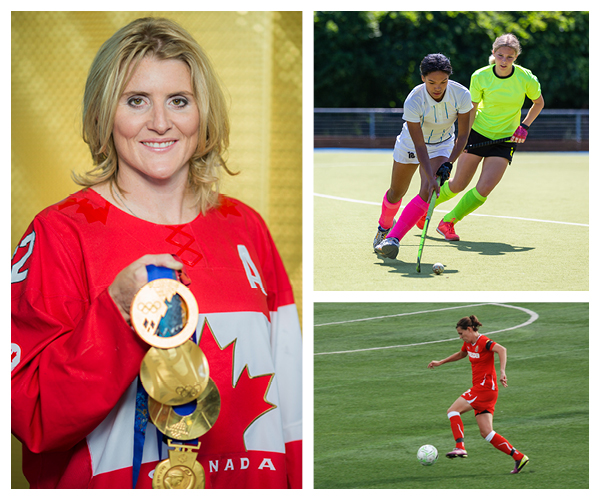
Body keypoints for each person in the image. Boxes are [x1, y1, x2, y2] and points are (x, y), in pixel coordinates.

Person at [11, 17, 302, 489]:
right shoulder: (58, 233)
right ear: (105, 114)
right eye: (136, 101)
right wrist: (118, 312)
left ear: (202, 113)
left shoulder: (245, 227)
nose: (161, 122)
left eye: (179, 101)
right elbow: (32, 416)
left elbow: (291, 397)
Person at [421, 33, 544, 241]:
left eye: (509, 57)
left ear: (516, 57)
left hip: (505, 140)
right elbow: (471, 109)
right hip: (477, 135)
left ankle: (448, 222)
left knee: (485, 188)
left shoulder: (526, 78)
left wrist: (524, 126)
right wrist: (464, 138)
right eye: (500, 55)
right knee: (458, 184)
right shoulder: (480, 76)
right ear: (493, 53)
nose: (504, 61)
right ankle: (422, 210)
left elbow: (538, 102)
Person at [373, 53, 472, 259]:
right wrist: (429, 172)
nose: (438, 87)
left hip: (441, 144)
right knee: (396, 193)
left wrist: (449, 163)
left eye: (443, 81)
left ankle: (393, 238)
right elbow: (419, 144)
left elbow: (463, 135)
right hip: (411, 144)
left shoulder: (461, 94)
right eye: (432, 82)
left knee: (428, 189)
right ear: (423, 79)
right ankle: (384, 227)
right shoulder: (414, 100)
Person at [427, 315, 529, 474]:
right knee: (487, 433)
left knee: (452, 411)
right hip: (485, 392)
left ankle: (460, 447)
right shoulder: (468, 344)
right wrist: (441, 362)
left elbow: (502, 349)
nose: (460, 337)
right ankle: (519, 457)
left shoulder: (483, 341)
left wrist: (502, 372)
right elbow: (461, 354)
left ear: (469, 329)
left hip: (485, 389)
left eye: (461, 333)